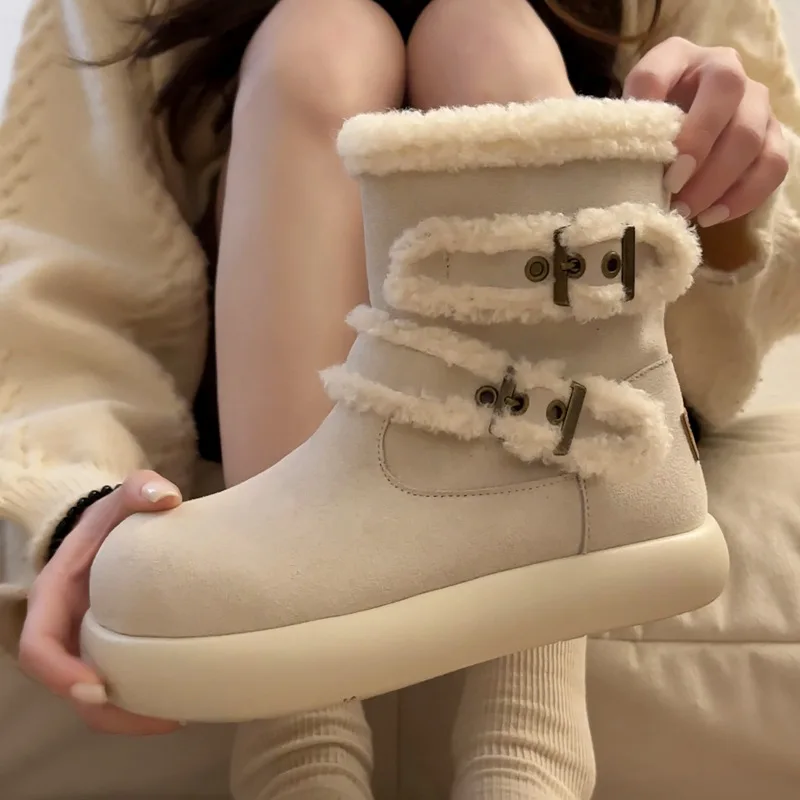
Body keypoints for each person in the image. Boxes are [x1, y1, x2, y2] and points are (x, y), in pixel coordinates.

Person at [0, 0, 798, 798]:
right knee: (320, 38)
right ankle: (299, 753)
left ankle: (526, 760)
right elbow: (60, 293)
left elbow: (758, 310)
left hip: (603, 402)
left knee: (485, 32)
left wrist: (728, 184)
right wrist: (74, 500)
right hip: (266, 394)